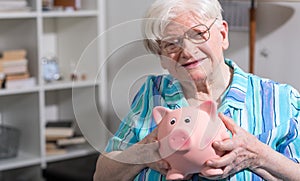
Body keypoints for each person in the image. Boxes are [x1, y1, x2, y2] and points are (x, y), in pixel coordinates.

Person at [94, 0, 300, 180]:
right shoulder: (152, 91)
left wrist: (260, 156)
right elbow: (101, 176)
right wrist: (143, 153)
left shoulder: (279, 97)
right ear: (161, 57)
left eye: (198, 33)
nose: (187, 51)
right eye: (171, 44)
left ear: (223, 34)